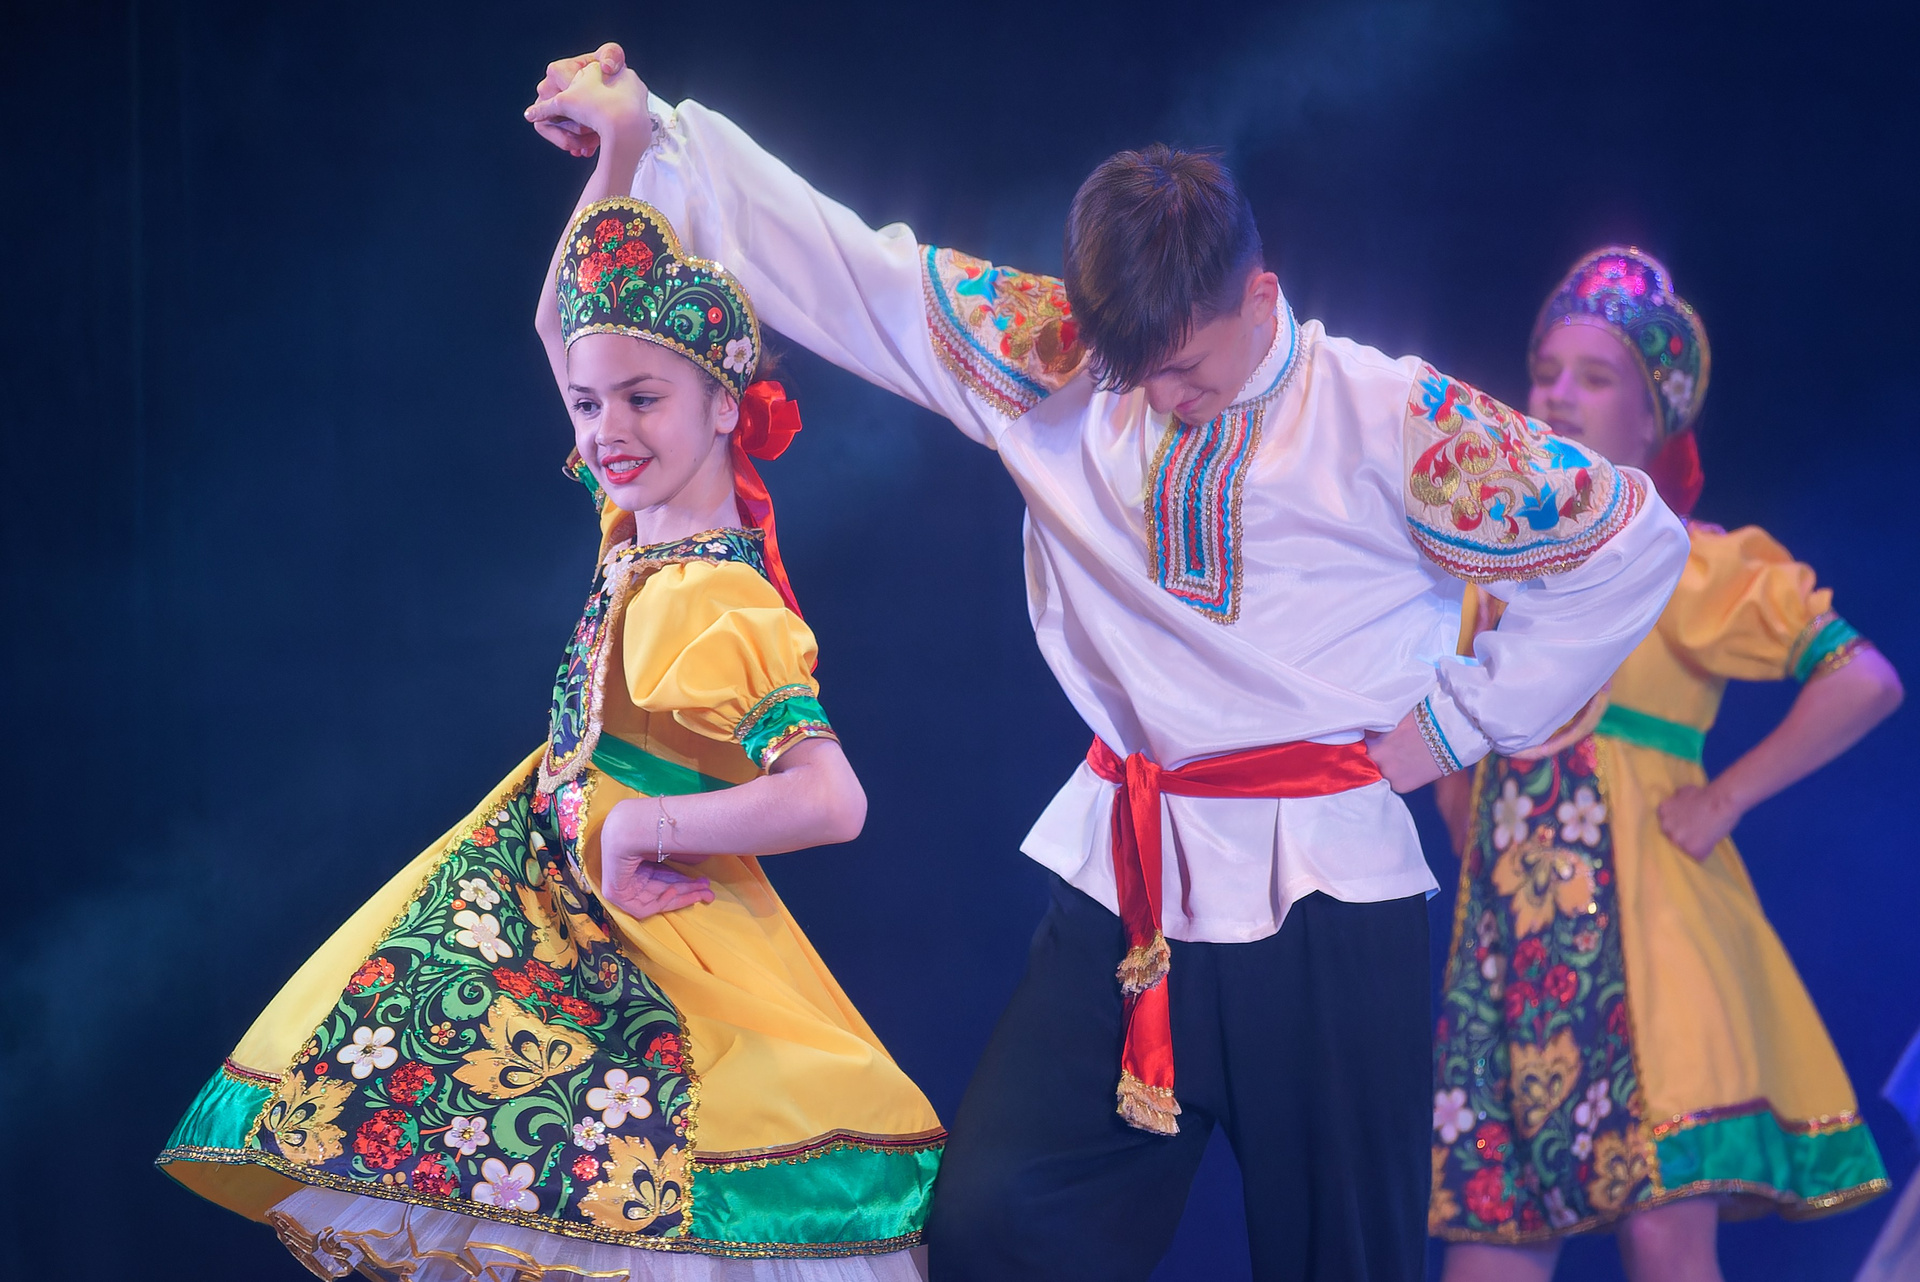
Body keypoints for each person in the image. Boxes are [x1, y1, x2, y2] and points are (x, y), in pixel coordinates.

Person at [524, 46, 1690, 1282]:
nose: (1163, 395)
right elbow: (860, 269)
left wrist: (1460, 722)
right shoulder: (1060, 360)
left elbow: (1633, 541)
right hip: (1129, 887)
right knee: (995, 1226)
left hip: (1330, 904)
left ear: (1261, 296)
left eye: (1186, 366)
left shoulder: (1390, 417)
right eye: (1140, 370)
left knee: (1345, 1260)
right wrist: (651, 133)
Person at [156, 93, 945, 1279]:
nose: (605, 429)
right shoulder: (636, 524)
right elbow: (558, 318)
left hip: (647, 942)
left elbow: (834, 799)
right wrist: (619, 151)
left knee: (644, 1202)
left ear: (724, 405)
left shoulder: (711, 596)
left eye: (642, 399)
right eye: (588, 403)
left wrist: (644, 829)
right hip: (560, 914)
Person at [1428, 247, 1903, 1282]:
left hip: (1653, 947)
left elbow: (1864, 679)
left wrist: (1726, 797)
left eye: (1594, 377)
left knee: (1663, 1236)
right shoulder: (1490, 579)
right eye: (1545, 373)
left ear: (1654, 419)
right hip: (1512, 965)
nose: (1557, 395)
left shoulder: (1686, 563)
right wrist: (1471, 830)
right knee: (1489, 1250)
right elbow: (1445, 743)